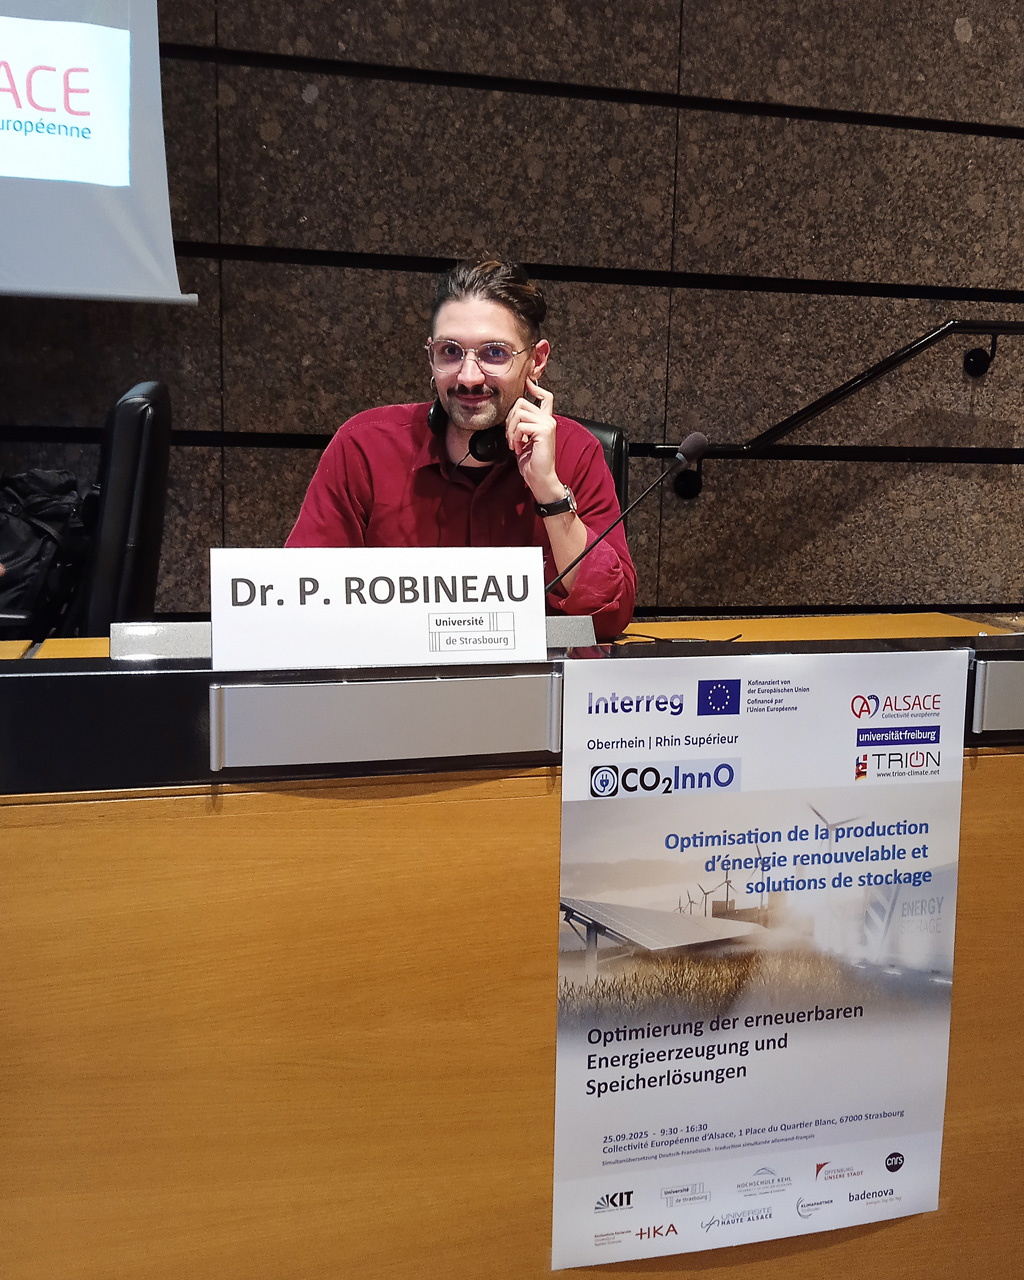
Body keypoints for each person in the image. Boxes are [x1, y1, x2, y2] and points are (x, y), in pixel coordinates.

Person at [286, 258, 636, 639]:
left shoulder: (576, 452)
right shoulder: (363, 449)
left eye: (495, 353)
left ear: (536, 361)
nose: (469, 377)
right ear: (430, 357)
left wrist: (549, 492)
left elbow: (608, 619)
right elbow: (300, 604)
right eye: (450, 352)